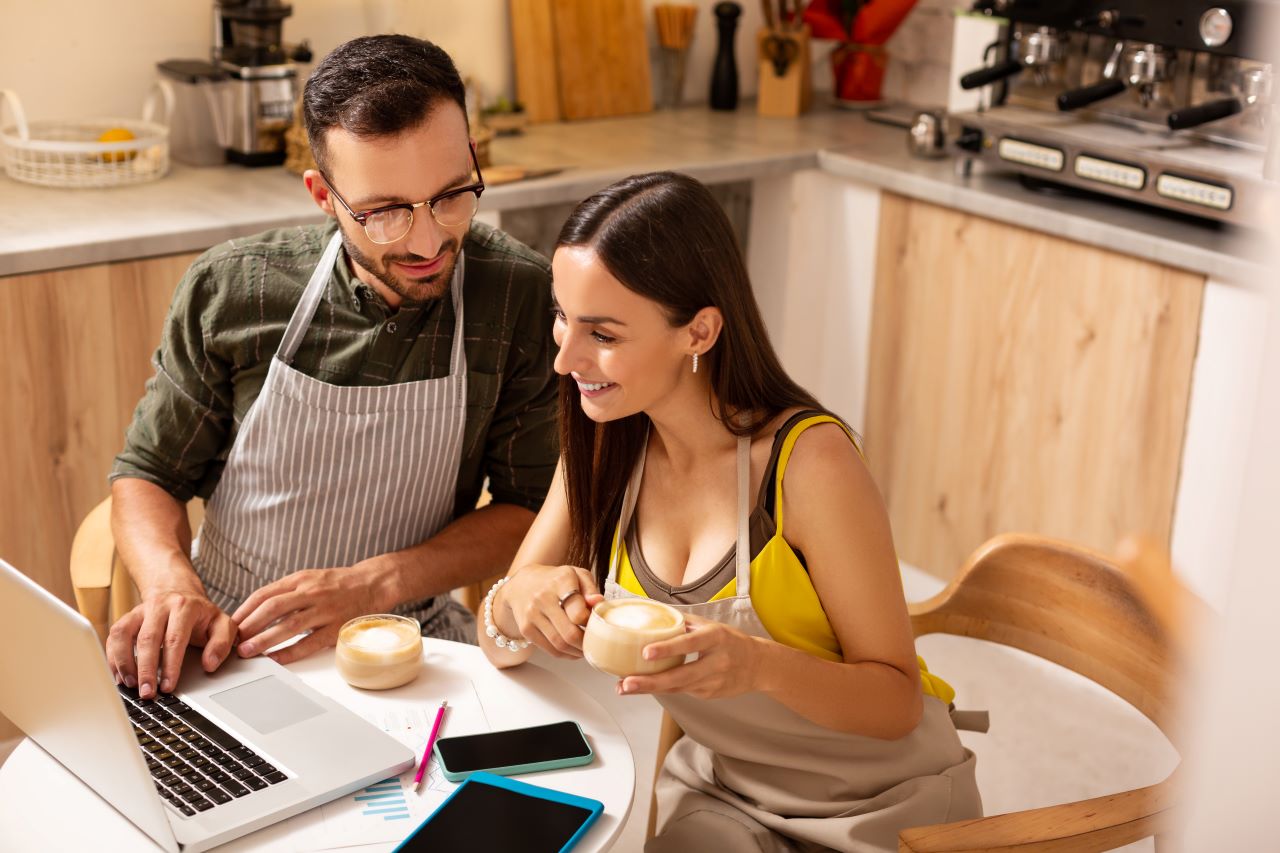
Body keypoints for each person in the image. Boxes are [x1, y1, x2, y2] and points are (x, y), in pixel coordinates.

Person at [479, 172, 981, 851]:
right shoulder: (603, 445)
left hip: (884, 806)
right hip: (729, 795)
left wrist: (757, 666)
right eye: (562, 315)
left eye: (602, 332)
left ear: (700, 330)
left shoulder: (809, 465)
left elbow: (895, 703)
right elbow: (497, 645)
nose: (565, 357)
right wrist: (516, 597)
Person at [106, 35, 558, 701]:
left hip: (415, 644)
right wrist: (172, 582)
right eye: (384, 213)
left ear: (472, 159)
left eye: (451, 195)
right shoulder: (237, 289)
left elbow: (531, 509)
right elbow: (147, 475)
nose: (429, 241)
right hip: (231, 642)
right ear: (324, 195)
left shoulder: (517, 295)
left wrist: (377, 584)